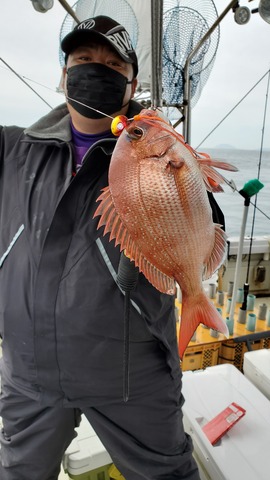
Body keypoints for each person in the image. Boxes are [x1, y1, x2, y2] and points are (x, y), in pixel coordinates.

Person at [0, 15, 224, 480]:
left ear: (131, 84)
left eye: (111, 64)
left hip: (132, 374)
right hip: (27, 374)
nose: (94, 70)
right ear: (63, 74)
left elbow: (203, 218)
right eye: (83, 60)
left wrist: (186, 178)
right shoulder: (12, 148)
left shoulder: (148, 150)